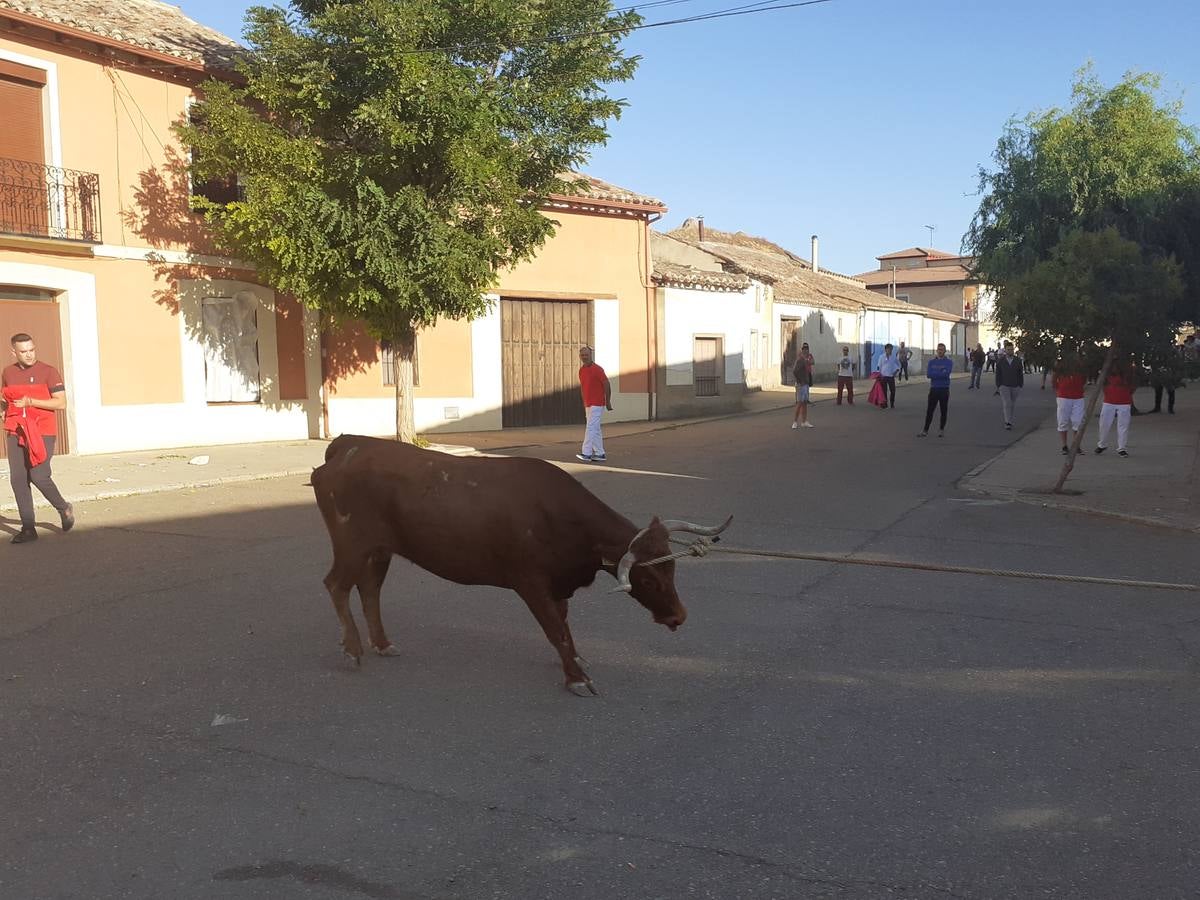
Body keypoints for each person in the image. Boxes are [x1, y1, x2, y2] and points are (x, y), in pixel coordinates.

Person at [3, 332, 74, 543]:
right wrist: (3, 409)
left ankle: (64, 508)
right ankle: (28, 528)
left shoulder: (49, 372)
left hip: (42, 431)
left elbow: (61, 403)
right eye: (24, 351)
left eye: (32, 350)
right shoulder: (8, 372)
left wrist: (31, 402)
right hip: (15, 430)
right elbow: (5, 399)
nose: (29, 355)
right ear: (14, 352)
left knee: (39, 475)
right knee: (18, 478)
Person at [576, 345, 611, 462]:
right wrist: (584, 402)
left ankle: (586, 453)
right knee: (595, 428)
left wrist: (608, 401)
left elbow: (607, 385)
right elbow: (584, 387)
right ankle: (600, 453)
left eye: (586, 355)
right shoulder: (581, 370)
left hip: (598, 403)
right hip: (588, 403)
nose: (584, 357)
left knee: (590, 427)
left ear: (591, 355)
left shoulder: (598, 369)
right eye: (582, 355)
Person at [1095, 360, 1135, 457]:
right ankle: (1102, 444)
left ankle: (1122, 448)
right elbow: (1100, 383)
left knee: (1123, 425)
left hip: (1124, 402)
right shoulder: (1106, 374)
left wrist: (1127, 393)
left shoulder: (1127, 375)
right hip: (1109, 401)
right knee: (1104, 424)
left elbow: (1133, 386)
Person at [1052, 356, 1086, 456]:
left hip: (1078, 397)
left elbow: (1084, 379)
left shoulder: (1080, 367)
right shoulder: (1060, 366)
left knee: (1078, 422)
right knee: (1063, 421)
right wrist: (1059, 390)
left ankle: (1076, 445)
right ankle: (1064, 446)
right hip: (1063, 397)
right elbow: (1054, 380)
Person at [918, 343, 953, 437]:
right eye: (939, 349)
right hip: (934, 389)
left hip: (944, 389)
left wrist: (936, 374)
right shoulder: (931, 362)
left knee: (943, 410)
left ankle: (941, 429)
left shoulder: (949, 362)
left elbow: (946, 374)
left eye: (942, 349)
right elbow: (929, 375)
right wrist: (941, 372)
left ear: (945, 351)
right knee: (930, 410)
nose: (940, 351)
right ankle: (925, 430)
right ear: (937, 350)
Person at [994, 340, 1024, 430]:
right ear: (1005, 350)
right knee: (1007, 403)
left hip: (1015, 385)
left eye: (1011, 349)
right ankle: (1008, 422)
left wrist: (1020, 384)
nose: (1010, 351)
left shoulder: (1018, 360)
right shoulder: (1001, 361)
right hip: (1004, 385)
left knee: (1012, 404)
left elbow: (1020, 373)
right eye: (1008, 349)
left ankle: (1009, 419)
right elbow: (998, 374)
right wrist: (998, 385)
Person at [791, 341, 815, 428]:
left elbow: (812, 362)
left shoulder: (808, 357)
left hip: (806, 383)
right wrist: (799, 381)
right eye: (804, 349)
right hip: (800, 384)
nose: (805, 350)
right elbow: (795, 371)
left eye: (807, 349)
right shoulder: (800, 359)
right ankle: (795, 422)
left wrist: (808, 361)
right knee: (800, 402)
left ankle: (804, 421)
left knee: (804, 402)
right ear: (802, 350)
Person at [876, 343, 900, 408]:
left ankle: (892, 403)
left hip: (891, 376)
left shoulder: (893, 357)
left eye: (891, 349)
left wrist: (896, 371)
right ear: (886, 349)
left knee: (893, 390)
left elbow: (898, 364)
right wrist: (878, 374)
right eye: (889, 349)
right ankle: (884, 403)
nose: (890, 351)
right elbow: (879, 366)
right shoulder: (881, 357)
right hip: (883, 376)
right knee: (884, 391)